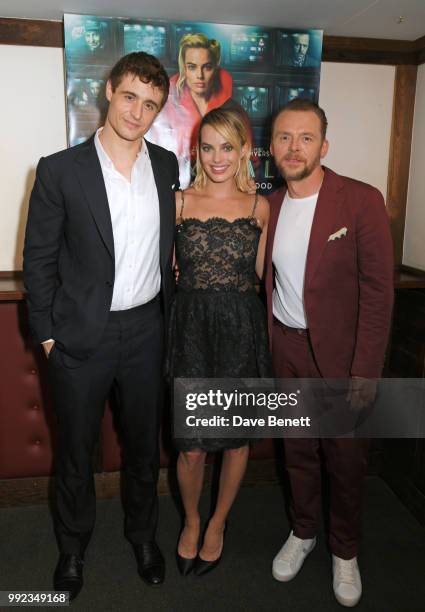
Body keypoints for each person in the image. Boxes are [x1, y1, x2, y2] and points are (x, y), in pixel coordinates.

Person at [23, 52, 179, 600]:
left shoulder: (165, 166)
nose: (138, 112)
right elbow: (38, 261)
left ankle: (143, 536)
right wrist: (46, 334)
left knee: (143, 448)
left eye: (151, 104)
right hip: (80, 337)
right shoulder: (59, 169)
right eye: (131, 96)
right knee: (75, 453)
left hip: (146, 331)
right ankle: (72, 548)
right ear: (109, 91)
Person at [265, 99, 393, 607]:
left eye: (305, 137)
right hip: (287, 350)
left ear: (323, 145)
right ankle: (303, 533)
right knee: (297, 454)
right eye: (283, 137)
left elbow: (379, 293)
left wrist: (366, 371)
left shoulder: (360, 201)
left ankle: (345, 550)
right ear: (271, 146)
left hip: (342, 358)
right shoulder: (270, 205)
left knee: (345, 460)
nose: (294, 147)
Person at [167, 107, 270, 576]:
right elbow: (167, 272)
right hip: (190, 332)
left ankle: (218, 524)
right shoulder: (179, 202)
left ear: (244, 150)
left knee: (234, 443)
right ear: (196, 150)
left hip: (240, 334)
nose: (217, 157)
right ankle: (191, 520)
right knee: (190, 446)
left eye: (227, 146)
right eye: (207, 147)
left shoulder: (258, 207)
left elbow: (261, 279)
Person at [147, 33, 238, 188]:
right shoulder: (166, 105)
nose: (200, 76)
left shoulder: (230, 102)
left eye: (207, 67)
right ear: (183, 67)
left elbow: (246, 156)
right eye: (192, 67)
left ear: (216, 67)